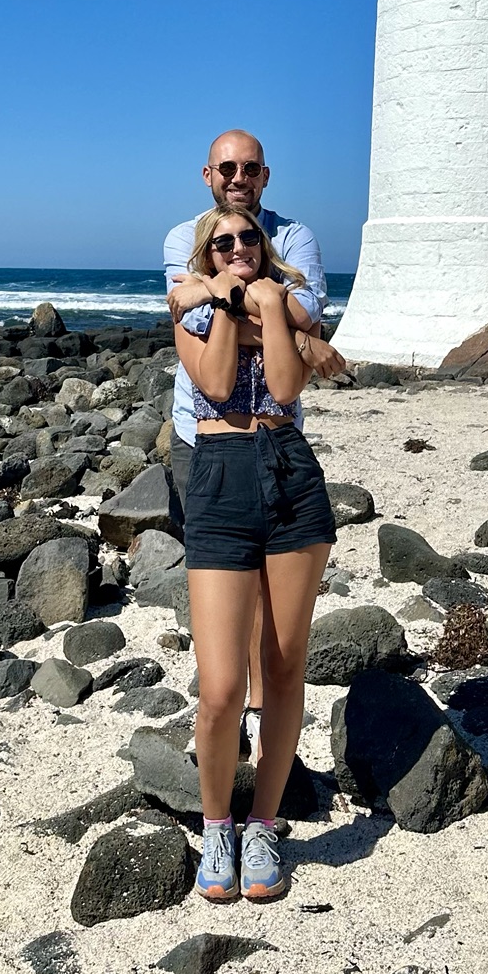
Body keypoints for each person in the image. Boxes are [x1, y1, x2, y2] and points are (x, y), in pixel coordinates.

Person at [172, 203, 336, 905]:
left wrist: (269, 301)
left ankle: (263, 824)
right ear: (207, 255)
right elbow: (212, 385)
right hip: (217, 475)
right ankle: (217, 825)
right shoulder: (190, 307)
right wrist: (247, 303)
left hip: (289, 472)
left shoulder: (276, 298)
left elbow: (283, 387)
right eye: (222, 243)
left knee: (285, 661)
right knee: (219, 692)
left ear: (264, 247)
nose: (237, 246)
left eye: (248, 240)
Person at [164, 131, 344, 753]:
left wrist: (265, 316)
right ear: (207, 174)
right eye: (227, 168)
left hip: (274, 438)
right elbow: (190, 314)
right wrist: (285, 329)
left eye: (250, 168)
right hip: (202, 436)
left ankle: (264, 714)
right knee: (223, 579)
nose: (238, 177)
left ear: (266, 175)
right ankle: (226, 708)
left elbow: (307, 308)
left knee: (271, 592)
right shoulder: (184, 235)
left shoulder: (291, 237)